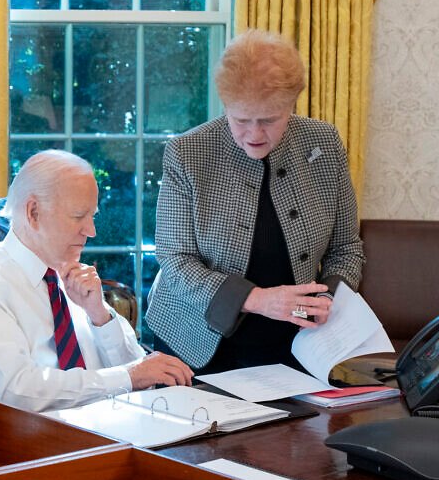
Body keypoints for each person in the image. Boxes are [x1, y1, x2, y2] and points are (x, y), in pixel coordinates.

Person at [145, 29, 364, 374]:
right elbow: (175, 261)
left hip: (298, 343)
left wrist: (327, 299)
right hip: (198, 339)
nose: (254, 134)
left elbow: (346, 248)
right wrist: (258, 300)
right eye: (241, 120)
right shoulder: (188, 153)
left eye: (269, 120)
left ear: (291, 104)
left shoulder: (324, 144)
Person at [0, 150, 192, 416]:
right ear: (33, 212)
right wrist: (128, 376)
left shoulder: (72, 278)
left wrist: (99, 316)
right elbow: (14, 393)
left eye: (93, 215)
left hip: (102, 435)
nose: (91, 231)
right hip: (13, 449)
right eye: (78, 216)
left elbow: (141, 378)